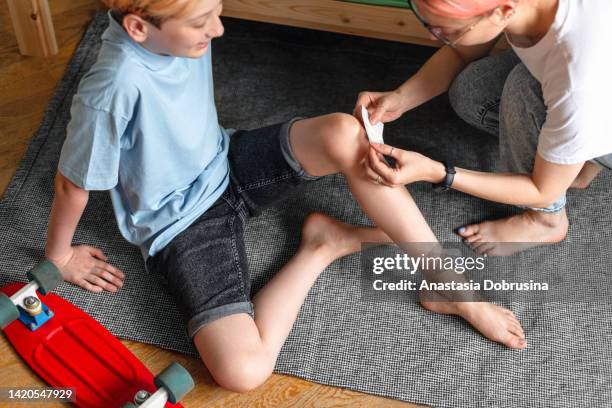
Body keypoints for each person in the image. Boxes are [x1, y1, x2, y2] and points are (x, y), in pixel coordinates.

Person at [44, 0, 526, 393]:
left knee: (342, 131)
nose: (217, 29)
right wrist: (59, 254)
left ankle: (450, 283)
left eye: (216, 11)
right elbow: (73, 182)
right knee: (243, 372)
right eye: (201, 22)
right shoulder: (109, 90)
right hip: (181, 226)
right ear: (137, 27)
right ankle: (323, 245)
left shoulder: (181, 27)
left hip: (226, 161)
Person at [359, 0, 612, 256]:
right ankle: (576, 159)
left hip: (592, 94)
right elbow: (462, 51)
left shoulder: (578, 82)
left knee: (521, 90)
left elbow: (542, 190)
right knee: (470, 92)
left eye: (448, 31)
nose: (431, 35)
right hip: (590, 97)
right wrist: (402, 97)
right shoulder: (518, 9)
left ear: (503, 12)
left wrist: (437, 172)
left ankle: (547, 222)